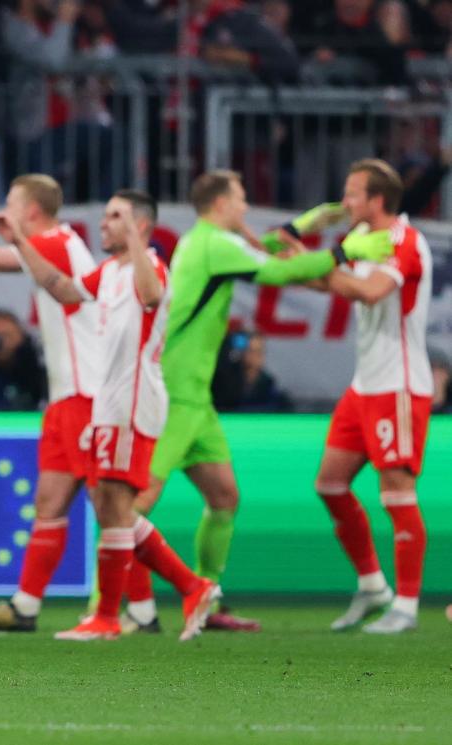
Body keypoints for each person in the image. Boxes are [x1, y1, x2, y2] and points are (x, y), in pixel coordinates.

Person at [134, 170, 394, 633]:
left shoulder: (212, 241)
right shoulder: (212, 242)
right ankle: (113, 606)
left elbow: (260, 251)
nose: (247, 206)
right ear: (219, 204)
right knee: (135, 503)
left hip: (196, 398)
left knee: (223, 498)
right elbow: (276, 272)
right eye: (241, 198)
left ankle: (206, 601)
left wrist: (304, 226)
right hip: (174, 394)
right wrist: (343, 251)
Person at [0, 189, 221, 642]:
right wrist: (19, 240)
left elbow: (154, 297)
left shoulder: (150, 267)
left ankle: (117, 615)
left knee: (114, 508)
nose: (103, 222)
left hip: (132, 403)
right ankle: (185, 589)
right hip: (109, 403)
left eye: (115, 216)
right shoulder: (110, 273)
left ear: (138, 226)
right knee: (113, 508)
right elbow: (61, 288)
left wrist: (139, 243)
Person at [311, 159, 432, 634]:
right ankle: (372, 584)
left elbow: (371, 291)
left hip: (398, 386)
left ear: (378, 201)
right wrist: (302, 261)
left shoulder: (406, 242)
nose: (345, 203)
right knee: (330, 484)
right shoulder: (357, 243)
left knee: (396, 492)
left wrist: (325, 266)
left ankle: (405, 605)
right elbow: (328, 281)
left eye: (353, 193)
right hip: (364, 386)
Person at [0, 173, 100, 633]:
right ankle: (26, 605)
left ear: (31, 211)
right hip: (66, 397)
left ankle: (164, 597)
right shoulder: (56, 243)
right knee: (49, 502)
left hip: (86, 396)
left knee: (110, 508)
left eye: (11, 203)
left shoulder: (52, 242)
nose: (5, 211)